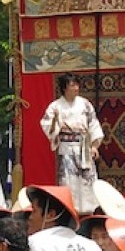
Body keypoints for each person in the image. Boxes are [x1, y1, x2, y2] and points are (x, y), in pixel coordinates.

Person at [40, 77, 103, 214]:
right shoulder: (55, 106)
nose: (76, 88)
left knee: (87, 181)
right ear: (64, 88)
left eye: (76, 85)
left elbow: (93, 124)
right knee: (69, 181)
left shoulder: (85, 104)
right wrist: (56, 123)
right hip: (67, 148)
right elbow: (47, 125)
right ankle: (70, 210)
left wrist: (94, 146)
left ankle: (89, 211)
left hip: (84, 147)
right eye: (72, 85)